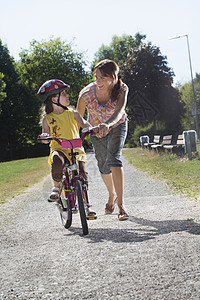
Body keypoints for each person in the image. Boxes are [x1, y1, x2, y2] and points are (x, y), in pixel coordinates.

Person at [77, 59, 129, 221]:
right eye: (96, 77)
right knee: (103, 165)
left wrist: (108, 124)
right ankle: (111, 194)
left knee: (114, 159)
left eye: (102, 77)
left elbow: (120, 111)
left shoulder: (121, 89)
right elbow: (77, 116)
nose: (98, 81)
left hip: (117, 125)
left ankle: (121, 205)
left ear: (113, 77)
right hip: (95, 130)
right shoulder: (86, 94)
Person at [37, 79, 96, 218]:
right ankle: (57, 189)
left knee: (83, 175)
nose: (67, 96)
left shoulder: (73, 113)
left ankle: (87, 207)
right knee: (57, 160)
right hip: (60, 149)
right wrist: (45, 137)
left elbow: (84, 123)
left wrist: (89, 127)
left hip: (76, 149)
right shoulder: (47, 118)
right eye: (63, 93)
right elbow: (46, 136)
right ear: (54, 98)